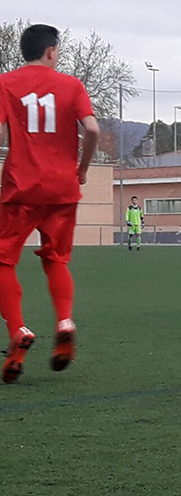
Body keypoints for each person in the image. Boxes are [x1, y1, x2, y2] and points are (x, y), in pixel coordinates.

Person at [0, 24, 100, 383]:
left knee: (3, 259)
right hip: (62, 189)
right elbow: (91, 129)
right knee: (56, 258)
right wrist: (82, 169)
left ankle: (19, 331)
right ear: (52, 51)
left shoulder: (6, 83)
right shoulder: (71, 86)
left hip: (20, 187)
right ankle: (64, 321)